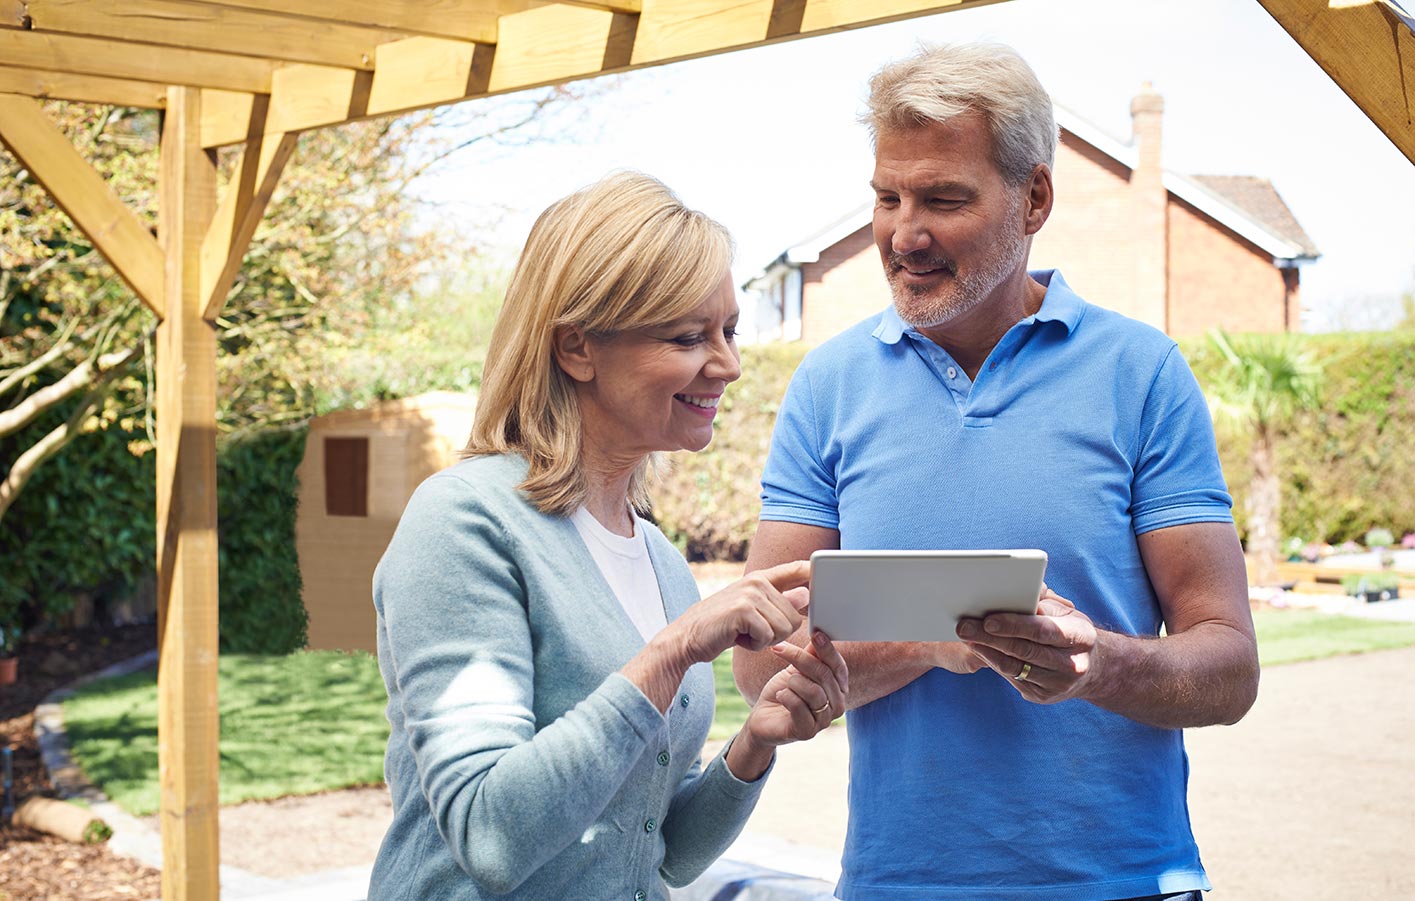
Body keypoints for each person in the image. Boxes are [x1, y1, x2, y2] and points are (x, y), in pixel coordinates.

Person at [734, 42, 1259, 901]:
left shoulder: (1142, 373)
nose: (904, 234)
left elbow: (1229, 666)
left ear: (1034, 198)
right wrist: (929, 643)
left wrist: (1102, 665)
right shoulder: (827, 386)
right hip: (897, 884)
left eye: (943, 199)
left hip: (1121, 883)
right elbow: (760, 665)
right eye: (885, 197)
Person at [368, 171, 848, 901]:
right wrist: (674, 648)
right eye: (689, 336)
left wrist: (753, 744)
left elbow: (659, 854)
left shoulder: (655, 556)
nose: (728, 364)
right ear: (576, 348)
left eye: (729, 330)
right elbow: (489, 836)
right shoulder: (464, 523)